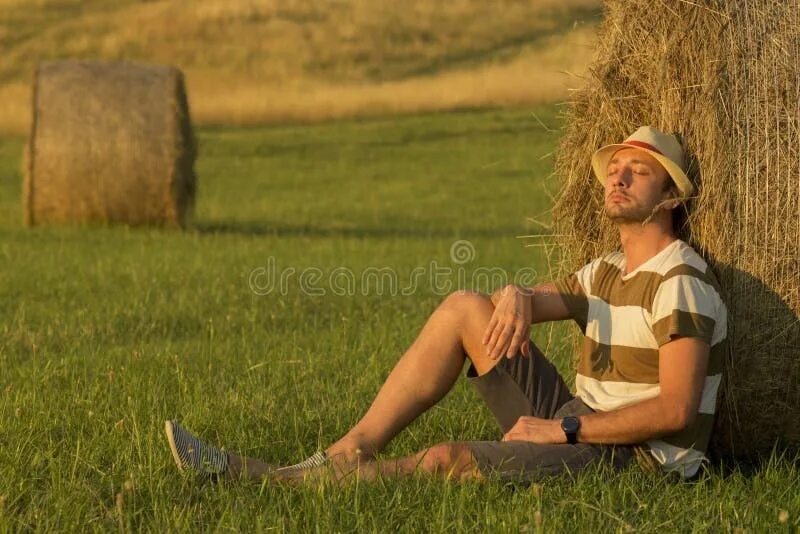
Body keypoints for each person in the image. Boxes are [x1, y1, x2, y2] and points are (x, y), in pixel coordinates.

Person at [164, 126, 727, 484]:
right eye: (615, 168)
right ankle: (350, 450)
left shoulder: (679, 281)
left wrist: (562, 431)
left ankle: (270, 481)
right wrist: (517, 297)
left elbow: (676, 411)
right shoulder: (606, 269)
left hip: (634, 460)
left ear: (671, 197)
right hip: (581, 423)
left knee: (445, 461)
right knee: (465, 307)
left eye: (639, 171)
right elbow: (535, 301)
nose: (617, 177)